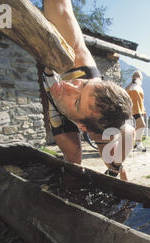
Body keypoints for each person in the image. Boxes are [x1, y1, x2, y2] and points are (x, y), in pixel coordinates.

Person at [41, 0, 135, 180]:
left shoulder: (100, 127)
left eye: (77, 101)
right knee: (74, 160)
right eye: (83, 84)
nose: (68, 85)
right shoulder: (77, 58)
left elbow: (130, 133)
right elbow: (61, 9)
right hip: (58, 108)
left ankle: (123, 188)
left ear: (83, 127)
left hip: (94, 124)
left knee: (111, 160)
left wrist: (114, 168)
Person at [126, 70, 147, 152]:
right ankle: (138, 144)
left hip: (140, 109)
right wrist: (131, 83)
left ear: (140, 78)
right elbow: (125, 92)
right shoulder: (130, 86)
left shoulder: (140, 88)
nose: (136, 76)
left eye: (138, 75)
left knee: (140, 126)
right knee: (142, 125)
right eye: (135, 75)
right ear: (133, 77)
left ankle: (133, 141)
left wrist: (144, 111)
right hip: (133, 108)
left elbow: (142, 100)